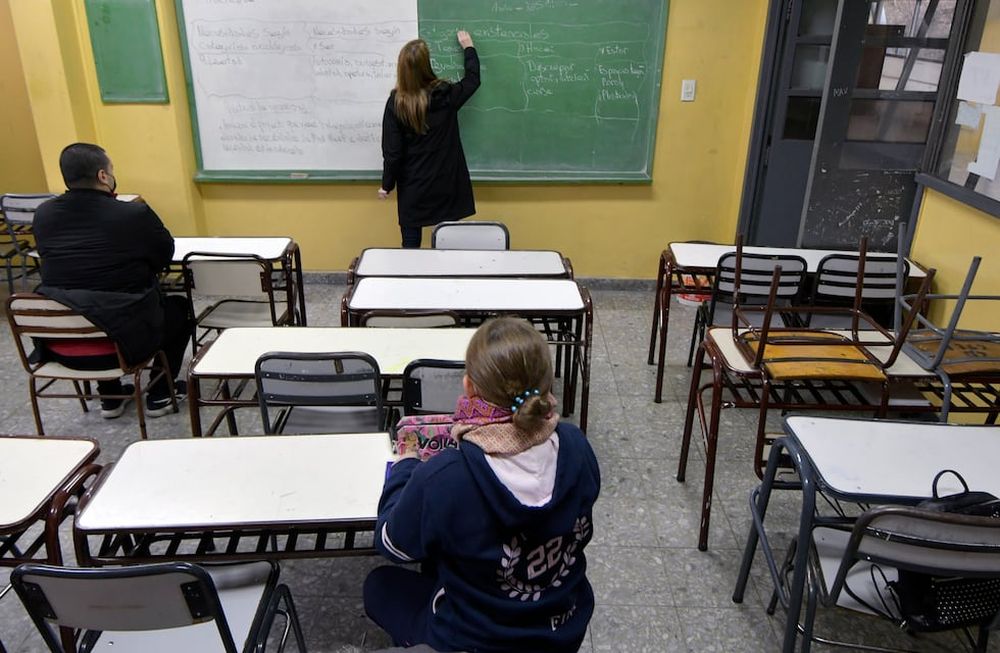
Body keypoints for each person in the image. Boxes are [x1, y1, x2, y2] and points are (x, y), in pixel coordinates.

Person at [364, 317, 601, 653]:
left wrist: (406, 468)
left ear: (469, 387)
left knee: (379, 586)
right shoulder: (577, 446)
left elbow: (392, 544)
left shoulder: (446, 477)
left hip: (473, 640)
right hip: (561, 627)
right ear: (547, 385)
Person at [31, 142, 192, 418]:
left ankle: (110, 398)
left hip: (60, 344)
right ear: (103, 176)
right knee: (178, 309)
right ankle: (160, 394)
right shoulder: (132, 214)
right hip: (124, 343)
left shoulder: (44, 214)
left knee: (83, 300)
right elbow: (165, 254)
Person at [379, 30, 480, 248]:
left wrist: (387, 185)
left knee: (411, 246)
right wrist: (469, 47)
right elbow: (473, 80)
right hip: (446, 183)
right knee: (447, 245)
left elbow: (393, 152)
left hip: (413, 187)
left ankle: (412, 281)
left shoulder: (396, 104)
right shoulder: (446, 95)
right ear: (427, 65)